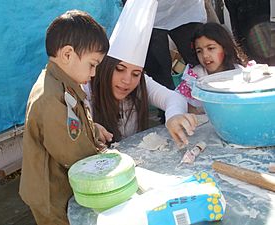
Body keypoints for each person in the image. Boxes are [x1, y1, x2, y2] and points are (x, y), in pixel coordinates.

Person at [19, 10, 110, 225]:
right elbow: (75, 155)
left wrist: (93, 129)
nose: (94, 73)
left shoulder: (62, 85)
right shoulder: (51, 97)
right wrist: (108, 162)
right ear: (68, 55)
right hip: (52, 198)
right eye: (92, 64)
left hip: (60, 186)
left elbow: (73, 125)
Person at [85, 0, 197, 148]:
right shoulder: (88, 86)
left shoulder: (140, 83)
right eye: (119, 69)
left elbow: (173, 97)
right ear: (106, 66)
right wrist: (90, 128)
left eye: (136, 73)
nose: (127, 80)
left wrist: (173, 116)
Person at [175, 22, 249, 114]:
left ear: (225, 48)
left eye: (210, 48)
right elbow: (178, 103)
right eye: (199, 51)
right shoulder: (193, 79)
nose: (205, 55)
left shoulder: (240, 73)